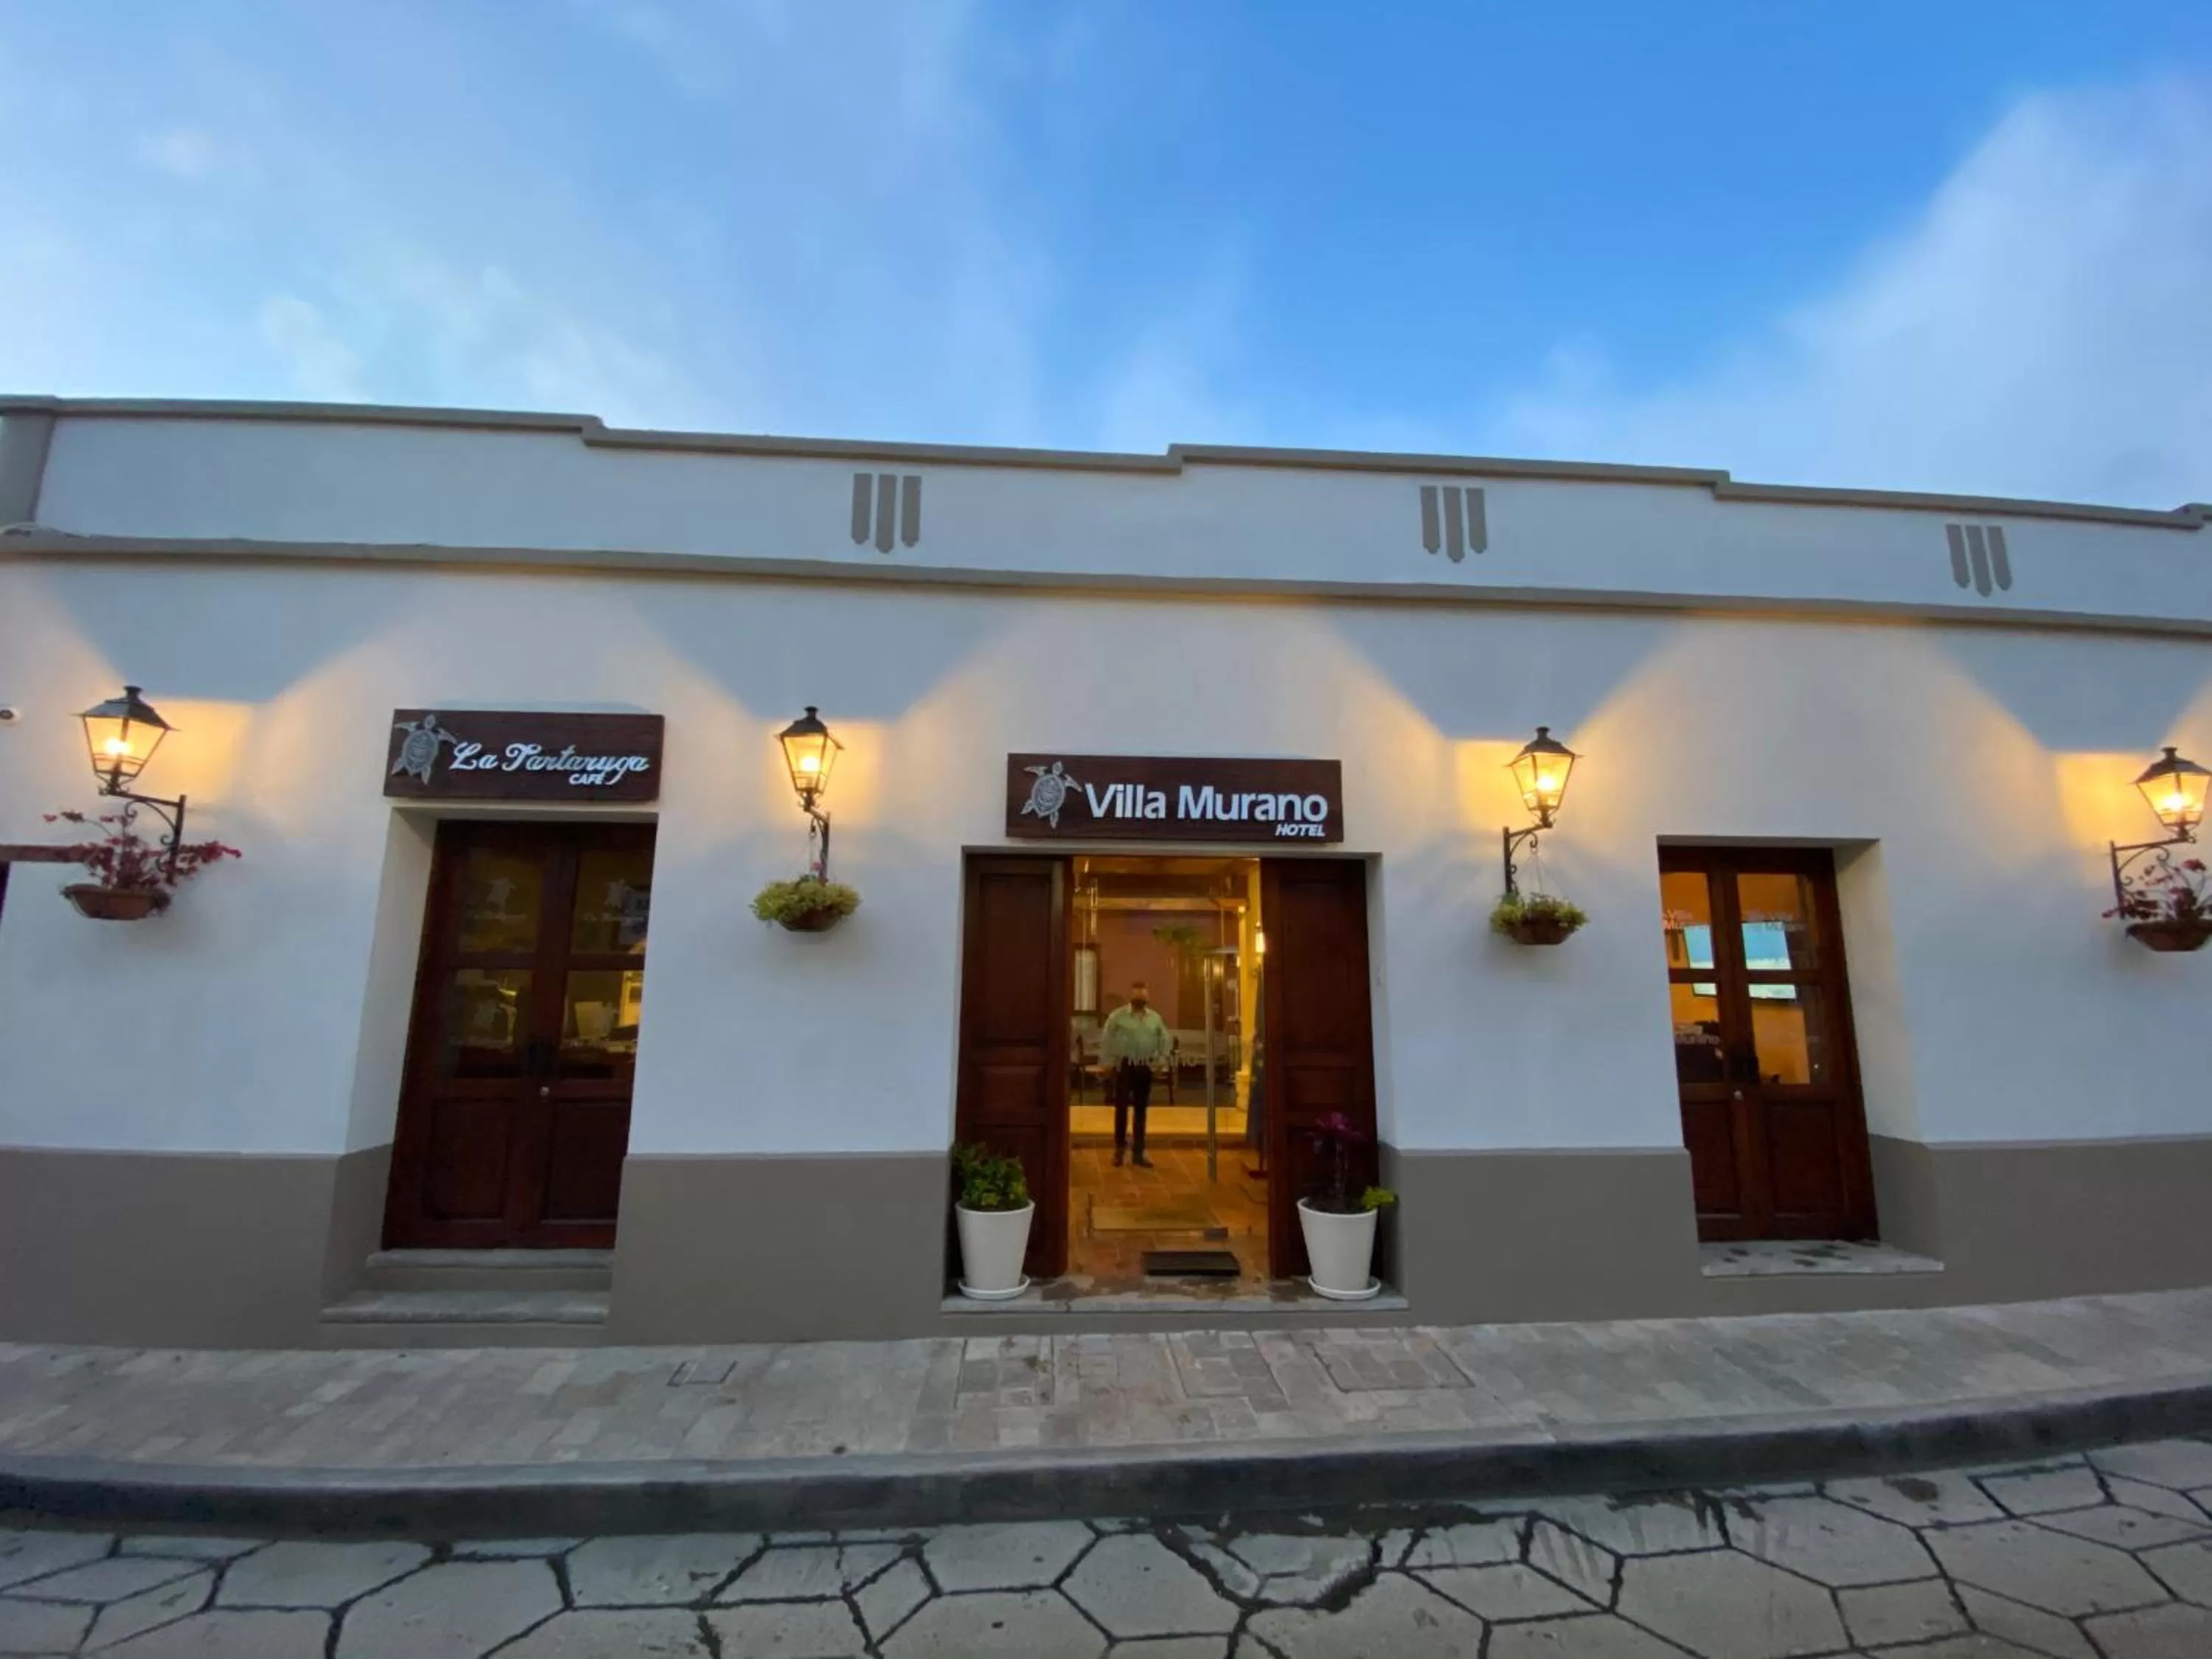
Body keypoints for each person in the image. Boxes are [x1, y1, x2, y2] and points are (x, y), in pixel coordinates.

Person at [1099, 979, 1171, 1167]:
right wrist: (1107, 1064)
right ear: (1131, 996)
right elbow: (1107, 1039)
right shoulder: (1117, 1017)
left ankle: (1138, 1152)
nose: (1140, 998)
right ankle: (1119, 1150)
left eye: (1143, 995)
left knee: (1141, 1110)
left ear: (1147, 997)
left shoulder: (1155, 1018)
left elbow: (1165, 1040)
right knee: (1121, 1108)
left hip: (1145, 1066)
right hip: (1124, 1066)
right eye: (1137, 995)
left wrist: (1160, 1062)